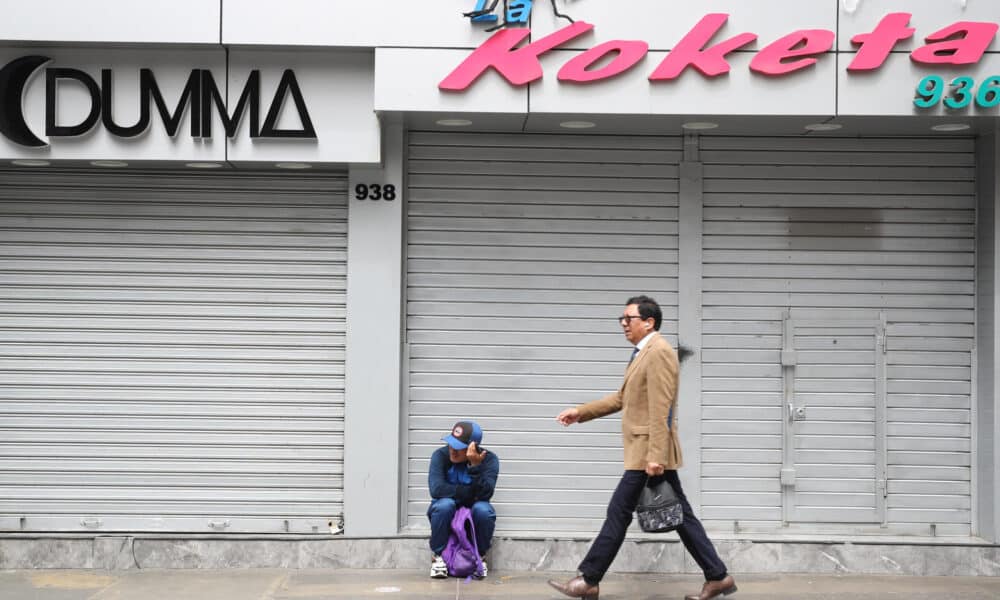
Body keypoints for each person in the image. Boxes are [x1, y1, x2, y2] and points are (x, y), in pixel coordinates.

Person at [548, 296, 737, 600]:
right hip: (646, 451)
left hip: (648, 454)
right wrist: (581, 411)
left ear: (649, 322)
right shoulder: (642, 353)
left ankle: (589, 580)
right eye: (621, 319)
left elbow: (662, 408)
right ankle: (718, 577)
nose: (624, 324)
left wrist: (656, 457)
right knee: (681, 516)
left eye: (629, 318)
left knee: (618, 512)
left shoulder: (658, 352)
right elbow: (622, 398)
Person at [427, 420, 500, 579]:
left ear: (472, 447)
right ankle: (437, 557)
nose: (452, 450)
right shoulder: (440, 456)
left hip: (472, 518)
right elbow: (437, 490)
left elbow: (485, 494)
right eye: (451, 444)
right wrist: (470, 493)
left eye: (459, 448)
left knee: (484, 510)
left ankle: (480, 557)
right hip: (447, 514)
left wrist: (474, 467)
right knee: (444, 504)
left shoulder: (489, 460)